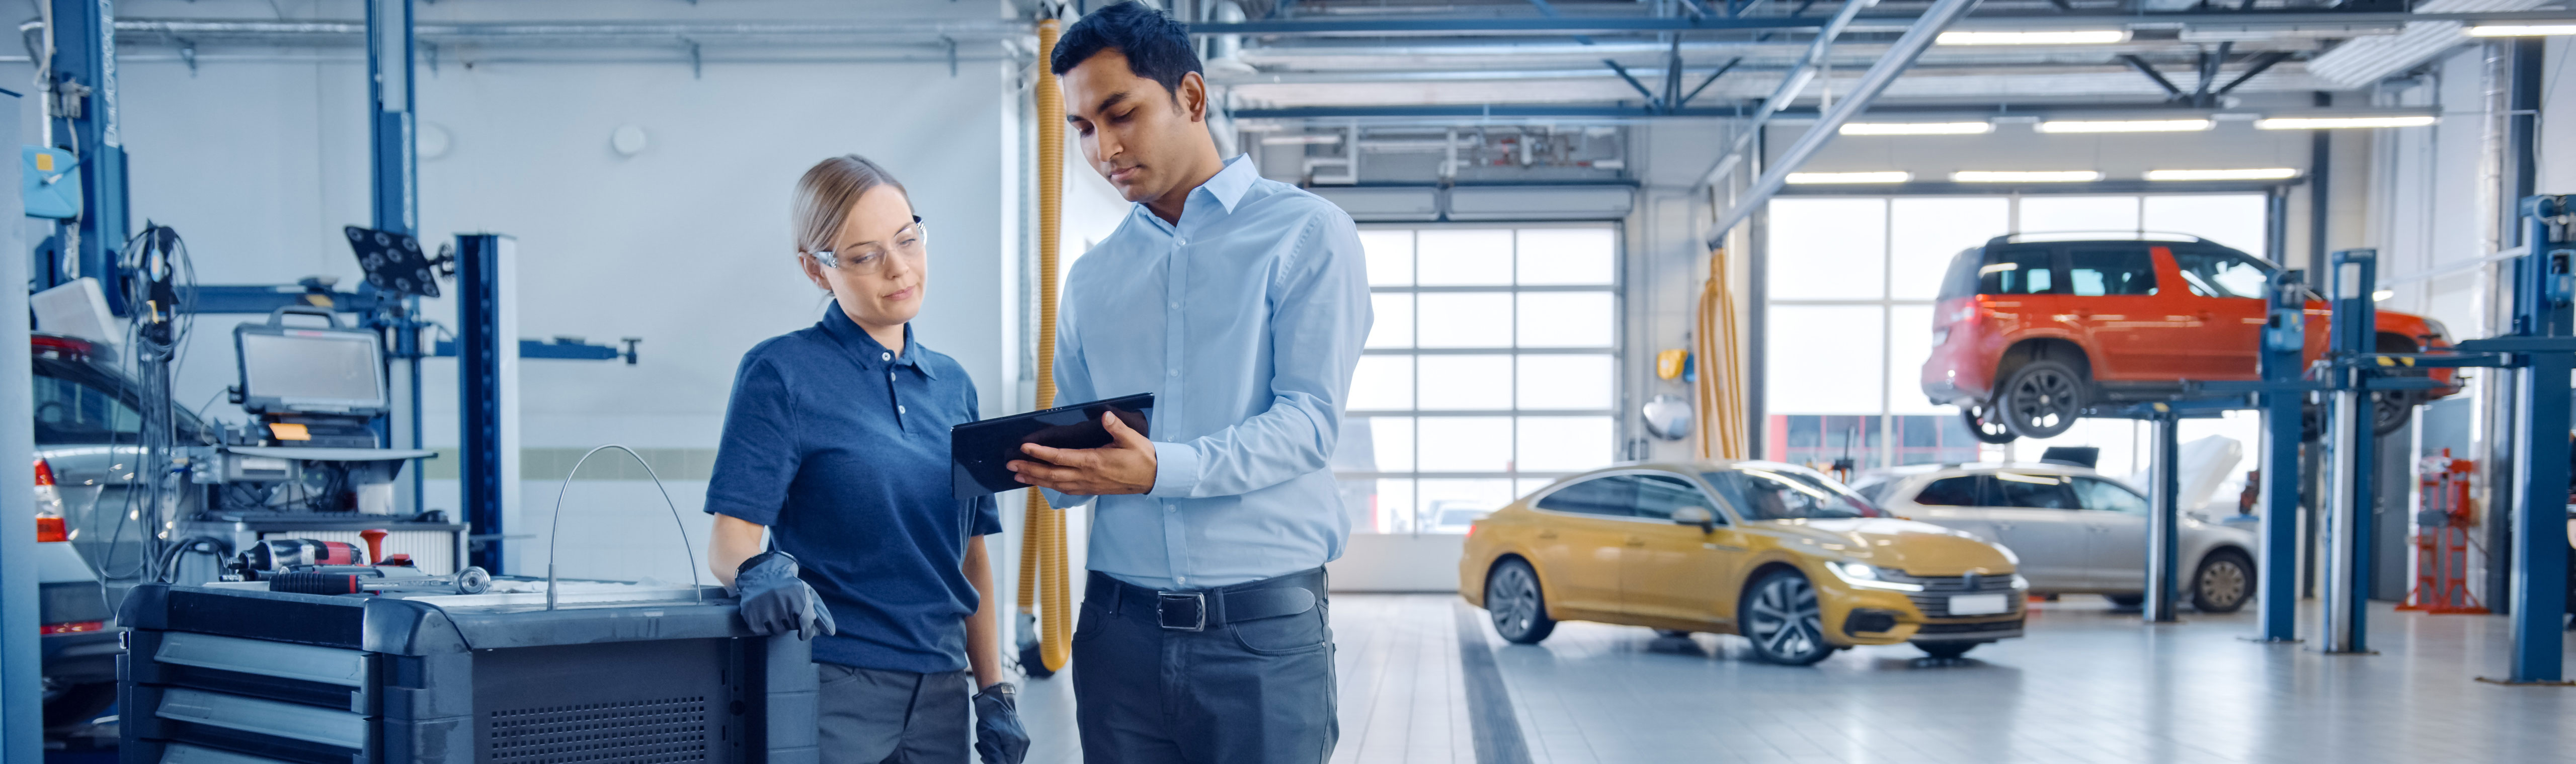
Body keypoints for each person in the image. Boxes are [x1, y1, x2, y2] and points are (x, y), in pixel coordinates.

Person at [1005, 4, 1371, 762]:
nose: (1104, 147)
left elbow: (1307, 421)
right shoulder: (1092, 277)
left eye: (1121, 113)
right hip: (1116, 634)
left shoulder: (1306, 233)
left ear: (1192, 99)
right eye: (1081, 128)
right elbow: (1078, 466)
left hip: (1260, 636)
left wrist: (1157, 468)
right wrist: (1050, 464)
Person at [705, 154, 1028, 764]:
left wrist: (993, 691)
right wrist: (759, 572)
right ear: (816, 269)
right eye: (864, 255)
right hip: (832, 683)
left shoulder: (954, 386)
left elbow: (972, 556)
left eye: (908, 240)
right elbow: (731, 538)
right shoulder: (781, 373)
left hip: (940, 691)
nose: (899, 268)